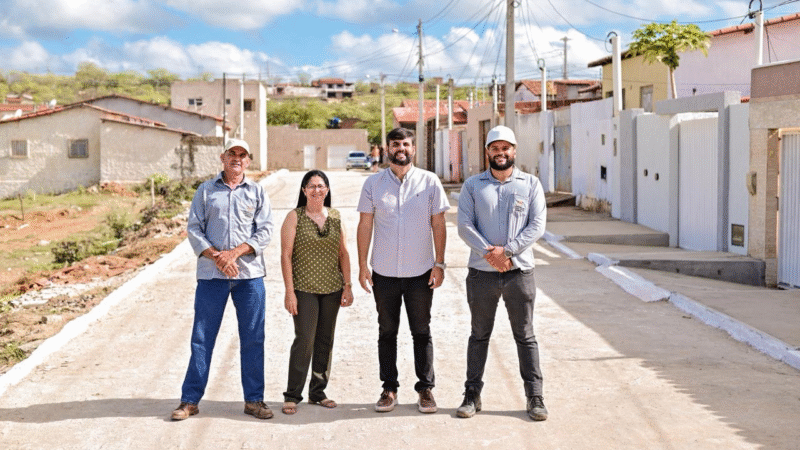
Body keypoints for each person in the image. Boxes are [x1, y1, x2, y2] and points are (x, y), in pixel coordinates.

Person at [172, 138, 275, 421]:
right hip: (212, 276)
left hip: (249, 277)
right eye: (232, 154)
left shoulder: (257, 192)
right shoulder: (205, 191)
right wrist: (218, 257)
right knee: (202, 338)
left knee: (253, 337)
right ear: (223, 157)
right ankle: (190, 400)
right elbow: (194, 229)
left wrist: (234, 254)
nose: (237, 159)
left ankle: (254, 400)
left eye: (242, 154)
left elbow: (264, 232)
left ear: (248, 160)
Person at [456, 125, 549, 421]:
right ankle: (472, 395)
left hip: (519, 273)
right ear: (487, 152)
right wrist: (491, 254)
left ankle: (535, 398)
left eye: (505, 148)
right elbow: (465, 226)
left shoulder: (531, 184)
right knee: (479, 335)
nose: (500, 153)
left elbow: (537, 225)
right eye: (495, 148)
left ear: (514, 151)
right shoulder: (472, 186)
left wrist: (506, 252)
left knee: (525, 336)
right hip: (482, 274)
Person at [356, 127, 450, 414]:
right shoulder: (373, 184)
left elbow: (438, 224)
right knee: (387, 332)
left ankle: (425, 389)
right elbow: (365, 225)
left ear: (413, 148)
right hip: (384, 273)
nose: (401, 149)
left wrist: (440, 263)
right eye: (395, 144)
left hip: (421, 272)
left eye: (406, 144)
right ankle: (389, 388)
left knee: (422, 331)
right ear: (387, 148)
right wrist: (362, 265)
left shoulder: (430, 182)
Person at [279, 170, 354, 415]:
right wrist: (289, 292)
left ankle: (317, 392)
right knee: (305, 340)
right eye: (311, 186)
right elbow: (286, 255)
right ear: (303, 190)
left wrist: (348, 285)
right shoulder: (294, 217)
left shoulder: (335, 216)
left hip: (332, 288)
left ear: (327, 189)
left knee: (325, 340)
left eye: (321, 186)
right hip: (304, 289)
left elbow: (343, 253)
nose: (316, 190)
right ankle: (292, 395)